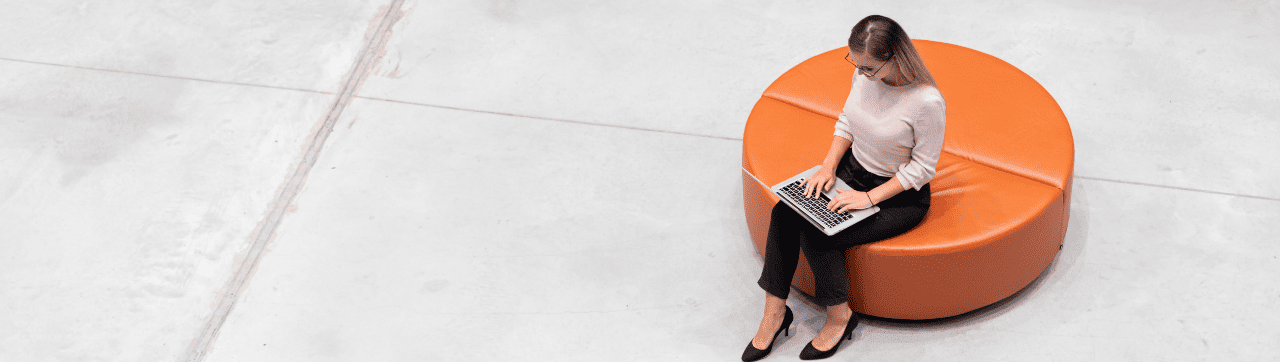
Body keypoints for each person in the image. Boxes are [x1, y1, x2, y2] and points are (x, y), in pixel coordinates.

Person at [742, 15, 946, 361]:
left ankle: (840, 317)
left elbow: (922, 169)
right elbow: (847, 121)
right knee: (785, 212)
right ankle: (775, 314)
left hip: (898, 196)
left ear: (895, 57)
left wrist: (869, 198)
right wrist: (828, 166)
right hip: (852, 171)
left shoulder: (926, 102)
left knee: (822, 233)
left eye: (868, 67)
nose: (861, 72)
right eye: (856, 63)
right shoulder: (864, 74)